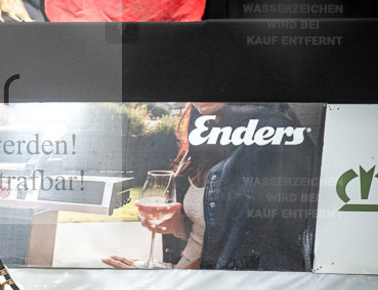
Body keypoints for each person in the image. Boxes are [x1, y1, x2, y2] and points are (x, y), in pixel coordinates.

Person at [104, 102, 317, 271]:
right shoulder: (203, 139)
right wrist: (179, 226)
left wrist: (171, 279)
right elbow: (206, 232)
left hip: (210, 287)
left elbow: (244, 256)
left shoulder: (274, 136)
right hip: (188, 274)